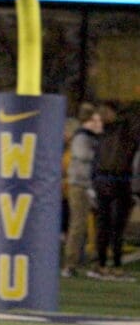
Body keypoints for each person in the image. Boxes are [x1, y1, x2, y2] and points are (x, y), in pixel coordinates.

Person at [88, 101, 139, 282]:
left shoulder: (113, 132)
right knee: (112, 226)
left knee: (109, 226)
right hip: (115, 182)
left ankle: (105, 265)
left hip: (108, 181)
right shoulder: (118, 133)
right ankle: (110, 266)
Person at [62, 107, 102, 278]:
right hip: (80, 185)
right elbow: (82, 155)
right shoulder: (82, 137)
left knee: (89, 226)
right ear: (89, 121)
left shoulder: (89, 137)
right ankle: (70, 263)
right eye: (96, 120)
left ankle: (88, 260)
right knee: (78, 225)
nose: (100, 124)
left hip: (86, 185)